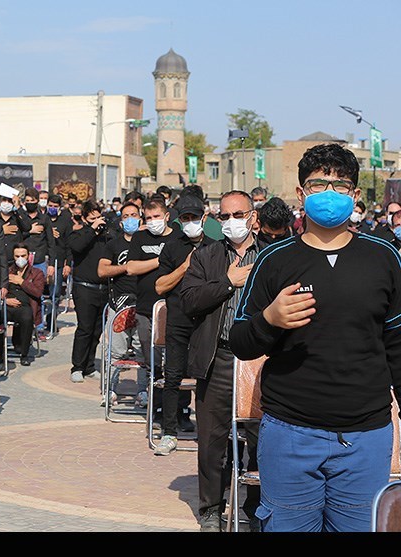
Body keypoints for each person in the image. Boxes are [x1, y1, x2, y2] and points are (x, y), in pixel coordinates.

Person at [230, 142, 401, 532]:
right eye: (318, 184)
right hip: (290, 432)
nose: (329, 193)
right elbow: (240, 341)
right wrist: (270, 319)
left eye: (340, 186)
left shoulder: (383, 257)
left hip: (366, 436)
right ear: (301, 194)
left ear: (355, 196)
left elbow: (397, 342)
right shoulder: (274, 260)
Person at [180, 190, 261, 531]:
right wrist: (228, 282)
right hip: (220, 357)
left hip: (261, 361)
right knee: (212, 440)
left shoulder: (274, 254)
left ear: (253, 217)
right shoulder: (206, 256)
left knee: (261, 439)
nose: (232, 223)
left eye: (238, 215)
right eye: (225, 217)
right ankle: (211, 508)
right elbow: (189, 300)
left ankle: (257, 508)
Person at [152, 193, 214, 455]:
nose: (190, 222)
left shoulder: (216, 245)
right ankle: (168, 432)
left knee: (206, 377)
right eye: (185, 218)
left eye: (194, 217)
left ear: (205, 217)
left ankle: (208, 431)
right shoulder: (173, 246)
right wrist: (185, 267)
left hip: (206, 321)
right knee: (173, 376)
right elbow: (159, 286)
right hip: (177, 318)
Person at [126, 195, 176, 411]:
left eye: (157, 216)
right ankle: (154, 403)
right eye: (148, 217)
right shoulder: (139, 239)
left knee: (173, 362)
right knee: (151, 360)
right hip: (145, 309)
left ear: (166, 216)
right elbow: (131, 268)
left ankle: (175, 408)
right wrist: (161, 260)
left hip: (173, 308)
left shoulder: (178, 237)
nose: (153, 220)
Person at [98, 201, 143, 403]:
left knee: (143, 351)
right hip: (119, 304)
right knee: (114, 351)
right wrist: (126, 268)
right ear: (121, 220)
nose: (131, 219)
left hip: (144, 304)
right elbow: (102, 270)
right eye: (126, 216)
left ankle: (143, 390)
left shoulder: (147, 242)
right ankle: (110, 389)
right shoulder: (113, 244)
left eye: (134, 215)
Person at [68, 200, 110, 383]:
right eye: (92, 218)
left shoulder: (107, 235)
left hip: (104, 288)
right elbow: (77, 247)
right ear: (85, 219)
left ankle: (89, 366)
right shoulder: (78, 234)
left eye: (98, 217)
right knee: (85, 328)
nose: (97, 221)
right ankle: (77, 366)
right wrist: (91, 229)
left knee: (96, 330)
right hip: (84, 287)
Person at [5, 243, 45, 366]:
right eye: (17, 256)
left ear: (28, 256)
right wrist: (5, 300)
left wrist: (22, 282)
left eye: (23, 255)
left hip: (26, 306)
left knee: (27, 317)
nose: (20, 259)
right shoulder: (7, 270)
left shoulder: (36, 273)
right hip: (7, 305)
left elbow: (38, 292)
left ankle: (24, 353)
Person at [19, 188, 56, 283]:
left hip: (39, 262)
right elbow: (16, 236)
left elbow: (51, 242)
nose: (30, 203)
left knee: (38, 290)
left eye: (32, 200)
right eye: (27, 201)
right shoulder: (20, 217)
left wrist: (51, 264)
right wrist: (30, 231)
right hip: (22, 261)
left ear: (37, 201)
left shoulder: (44, 219)